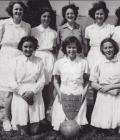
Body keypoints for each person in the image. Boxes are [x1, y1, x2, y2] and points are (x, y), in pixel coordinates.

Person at [0, 1, 31, 131]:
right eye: (16, 9)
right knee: (8, 91)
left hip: (20, 58)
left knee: (18, 90)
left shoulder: (27, 26)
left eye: (20, 10)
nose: (18, 12)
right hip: (6, 58)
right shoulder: (3, 24)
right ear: (11, 11)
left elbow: (28, 45)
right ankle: (6, 119)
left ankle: (16, 119)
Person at [90, 38, 120, 135]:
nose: (108, 50)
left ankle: (118, 125)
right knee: (105, 125)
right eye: (105, 48)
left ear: (114, 48)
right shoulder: (98, 62)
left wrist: (111, 87)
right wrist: (106, 90)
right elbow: (93, 83)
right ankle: (105, 127)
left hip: (118, 94)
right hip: (103, 94)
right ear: (102, 50)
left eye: (110, 47)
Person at [9, 36, 45, 135]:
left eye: (30, 47)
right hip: (20, 93)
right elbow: (11, 81)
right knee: (23, 133)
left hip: (34, 91)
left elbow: (42, 80)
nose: (28, 49)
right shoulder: (14, 61)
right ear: (21, 47)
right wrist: (22, 93)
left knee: (34, 131)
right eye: (25, 47)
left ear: (34, 48)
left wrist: (33, 92)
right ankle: (22, 124)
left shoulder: (39, 61)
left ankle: (34, 122)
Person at [52, 36, 89, 131]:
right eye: (69, 47)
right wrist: (60, 94)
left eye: (74, 47)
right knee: (61, 126)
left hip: (78, 92)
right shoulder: (59, 63)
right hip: (64, 93)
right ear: (65, 48)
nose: (71, 50)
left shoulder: (84, 62)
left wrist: (83, 95)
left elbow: (87, 81)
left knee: (77, 127)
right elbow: (55, 80)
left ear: (78, 49)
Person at [31, 8, 57, 115]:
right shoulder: (33, 30)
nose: (46, 19)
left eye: (48, 17)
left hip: (49, 58)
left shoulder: (54, 32)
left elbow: (55, 48)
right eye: (44, 16)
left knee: (48, 88)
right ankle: (34, 113)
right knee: (37, 85)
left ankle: (44, 113)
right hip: (37, 57)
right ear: (40, 17)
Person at [85, 1, 114, 71]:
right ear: (93, 15)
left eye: (101, 14)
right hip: (92, 56)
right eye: (97, 14)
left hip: (106, 55)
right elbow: (87, 46)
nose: (99, 16)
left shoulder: (111, 27)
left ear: (105, 15)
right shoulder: (88, 29)